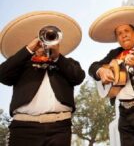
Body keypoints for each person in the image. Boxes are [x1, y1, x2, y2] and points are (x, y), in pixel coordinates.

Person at [0, 11, 85, 146]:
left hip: (60, 127)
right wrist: (29, 48)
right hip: (23, 127)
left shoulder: (65, 62)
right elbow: (3, 75)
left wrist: (57, 57)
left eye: (49, 39)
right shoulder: (22, 65)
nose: (44, 44)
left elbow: (78, 77)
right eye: (41, 40)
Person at [88, 6, 134, 146]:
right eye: (119, 33)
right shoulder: (114, 53)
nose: (124, 35)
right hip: (124, 112)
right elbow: (92, 67)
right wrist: (101, 71)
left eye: (127, 31)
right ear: (117, 39)